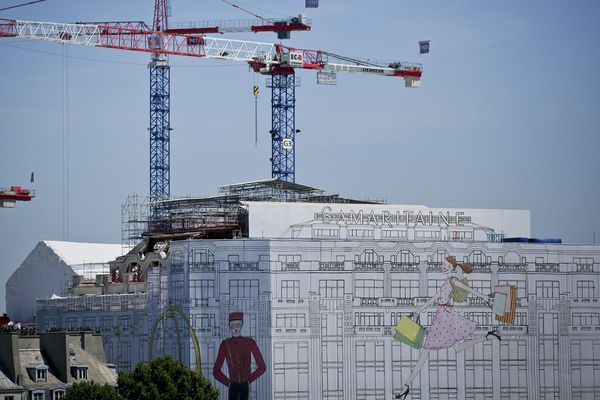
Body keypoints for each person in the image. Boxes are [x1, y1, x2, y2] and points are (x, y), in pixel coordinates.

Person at [394, 256, 500, 399]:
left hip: (443, 318)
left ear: (452, 268)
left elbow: (467, 288)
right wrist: (420, 308)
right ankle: (488, 336)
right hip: (444, 316)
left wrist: (485, 297)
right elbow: (436, 297)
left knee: (425, 351)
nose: (444, 267)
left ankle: (406, 386)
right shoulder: (446, 281)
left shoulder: (453, 280)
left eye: (447, 266)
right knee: (457, 348)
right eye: (443, 264)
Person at [213, 311, 266, 400]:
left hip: (245, 384)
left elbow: (262, 367)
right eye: (233, 325)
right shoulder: (225, 344)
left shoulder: (250, 342)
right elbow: (216, 371)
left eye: (238, 325)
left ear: (242, 325)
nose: (235, 328)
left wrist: (249, 380)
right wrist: (228, 383)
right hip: (232, 385)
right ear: (229, 326)